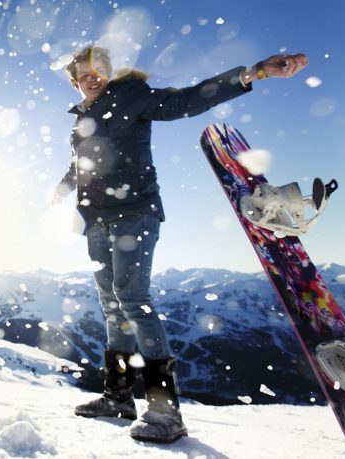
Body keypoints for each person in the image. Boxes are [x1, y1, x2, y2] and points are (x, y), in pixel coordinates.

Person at [52, 45, 308, 443]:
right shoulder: (81, 118)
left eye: (98, 67)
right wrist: (65, 184)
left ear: (108, 70)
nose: (91, 75)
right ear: (73, 82)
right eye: (81, 72)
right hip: (95, 219)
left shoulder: (131, 96)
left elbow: (184, 101)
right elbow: (83, 160)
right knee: (111, 304)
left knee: (132, 299)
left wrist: (253, 73)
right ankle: (118, 397)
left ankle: (165, 411)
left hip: (134, 211)